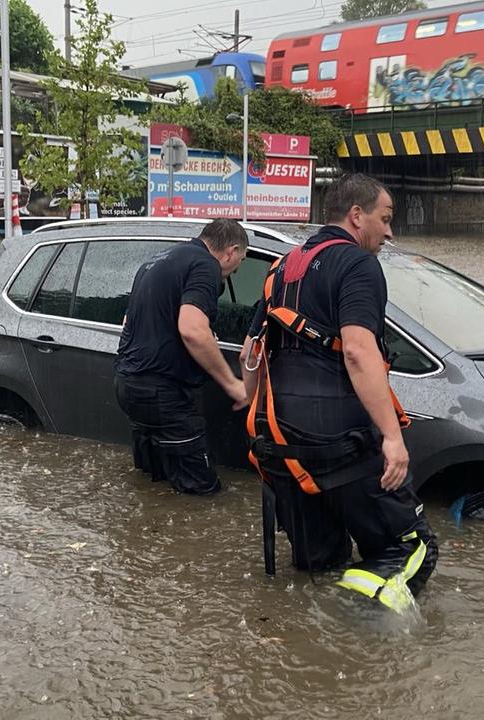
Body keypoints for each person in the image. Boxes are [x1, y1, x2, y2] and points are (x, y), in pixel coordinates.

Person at [241, 174, 437, 615]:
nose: (389, 232)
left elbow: (250, 359)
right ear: (356, 215)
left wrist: (253, 411)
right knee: (412, 549)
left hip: (276, 444)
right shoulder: (357, 265)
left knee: (320, 564)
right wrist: (391, 436)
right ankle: (355, 640)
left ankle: (311, 652)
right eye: (384, 219)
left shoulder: (279, 267)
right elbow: (358, 350)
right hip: (338, 439)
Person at [114, 218, 249, 495]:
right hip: (164, 393)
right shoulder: (205, 265)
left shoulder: (156, 262)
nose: (234, 272)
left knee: (155, 484)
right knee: (202, 494)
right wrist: (233, 384)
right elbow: (191, 330)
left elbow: (129, 321)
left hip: (128, 385)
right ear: (232, 251)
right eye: (241, 261)